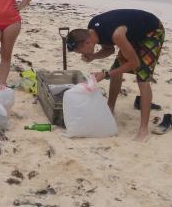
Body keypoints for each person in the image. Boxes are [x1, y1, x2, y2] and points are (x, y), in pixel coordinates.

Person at [66, 9, 165, 141]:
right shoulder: (92, 29)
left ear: (87, 42)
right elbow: (109, 49)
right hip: (134, 34)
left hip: (152, 31)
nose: (81, 54)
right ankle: (110, 108)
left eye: (79, 51)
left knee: (142, 78)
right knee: (116, 71)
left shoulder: (117, 35)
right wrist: (93, 56)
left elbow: (134, 63)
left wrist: (106, 74)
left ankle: (143, 129)